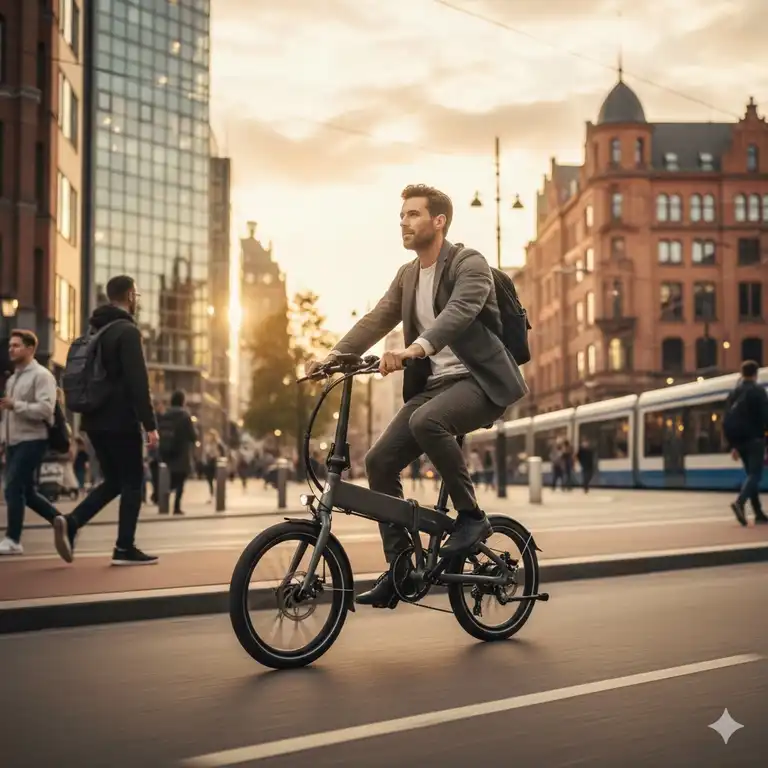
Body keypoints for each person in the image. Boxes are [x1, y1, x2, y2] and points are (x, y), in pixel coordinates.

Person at [307, 184, 528, 609]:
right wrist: (334, 355)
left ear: (439, 221)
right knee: (378, 461)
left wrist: (415, 348)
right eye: (402, 216)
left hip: (481, 382)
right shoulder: (408, 275)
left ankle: (471, 517)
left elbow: (459, 313)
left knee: (426, 422)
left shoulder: (470, 264)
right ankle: (401, 568)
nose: (404, 223)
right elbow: (377, 317)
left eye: (413, 215)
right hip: (436, 387)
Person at [53, 275, 159, 565]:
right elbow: (139, 381)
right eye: (136, 294)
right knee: (133, 481)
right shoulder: (126, 331)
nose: (137, 299)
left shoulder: (94, 330)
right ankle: (124, 548)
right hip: (121, 420)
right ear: (128, 295)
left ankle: (72, 522)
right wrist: (150, 425)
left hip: (93, 420)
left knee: (113, 480)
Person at [0, 330, 60, 554]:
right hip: (15, 441)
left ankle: (13, 540)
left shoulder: (42, 376)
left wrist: (16, 405)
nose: (11, 349)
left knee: (13, 486)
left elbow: (46, 410)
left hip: (34, 439)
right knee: (28, 493)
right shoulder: (13, 379)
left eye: (16, 345)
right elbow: (7, 416)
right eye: (10, 345)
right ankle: (64, 522)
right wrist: (3, 441)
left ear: (30, 349)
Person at [724, 360, 768, 526]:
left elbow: (726, 419)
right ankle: (740, 502)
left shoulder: (734, 393)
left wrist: (732, 445)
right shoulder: (758, 391)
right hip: (755, 439)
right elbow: (766, 416)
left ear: (742, 374)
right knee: (755, 475)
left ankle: (758, 513)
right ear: (756, 374)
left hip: (739, 441)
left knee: (751, 475)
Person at [156, 390, 197, 515]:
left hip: (166, 453)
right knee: (180, 481)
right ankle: (176, 507)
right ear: (182, 401)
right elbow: (192, 436)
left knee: (168, 478)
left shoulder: (165, 415)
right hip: (181, 454)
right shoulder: (185, 416)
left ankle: (163, 497)